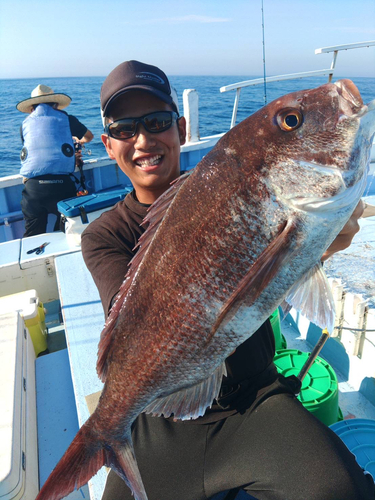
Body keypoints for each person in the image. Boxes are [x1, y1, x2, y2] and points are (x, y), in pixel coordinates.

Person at [81, 60, 374, 500]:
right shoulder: (103, 235)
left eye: (157, 122)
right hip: (159, 420)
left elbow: (272, 277)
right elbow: (132, 328)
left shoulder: (228, 181)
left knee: (344, 491)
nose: (143, 140)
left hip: (253, 397)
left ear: (180, 128)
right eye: (125, 129)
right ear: (107, 144)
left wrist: (316, 247)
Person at [17, 84, 94, 237]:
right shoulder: (67, 119)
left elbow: (32, 153)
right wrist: (74, 149)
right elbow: (89, 137)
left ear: (32, 108)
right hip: (62, 187)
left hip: (32, 190)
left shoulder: (24, 124)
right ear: (56, 105)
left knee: (32, 234)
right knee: (64, 231)